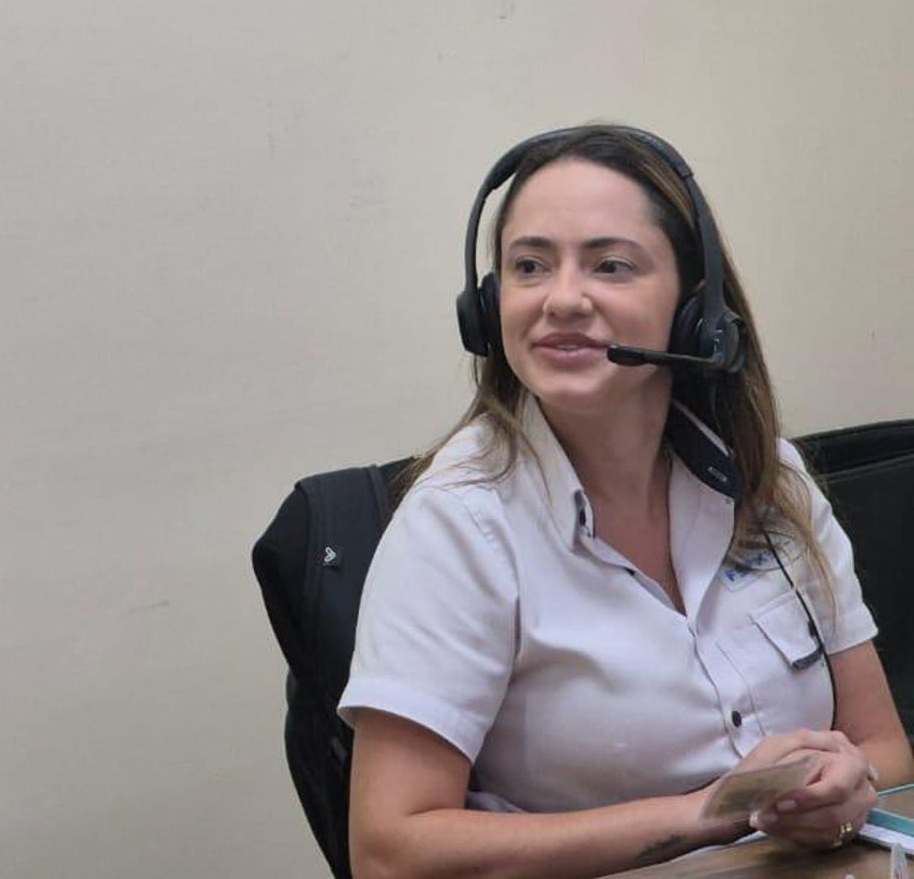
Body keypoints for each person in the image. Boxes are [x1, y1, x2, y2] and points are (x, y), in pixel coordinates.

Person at [341, 124, 912, 879]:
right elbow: (390, 853)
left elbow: (884, 747)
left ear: (696, 311)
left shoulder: (768, 479)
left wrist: (845, 785)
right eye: (529, 266)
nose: (562, 299)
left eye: (610, 265)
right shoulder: (458, 525)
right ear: (488, 306)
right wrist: (706, 815)